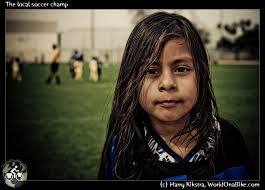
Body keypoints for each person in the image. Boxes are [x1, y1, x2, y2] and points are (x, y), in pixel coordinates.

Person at [98, 12, 255, 180]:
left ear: (200, 74)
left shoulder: (228, 139)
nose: (167, 83)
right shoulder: (123, 146)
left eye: (181, 69)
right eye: (151, 71)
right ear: (132, 80)